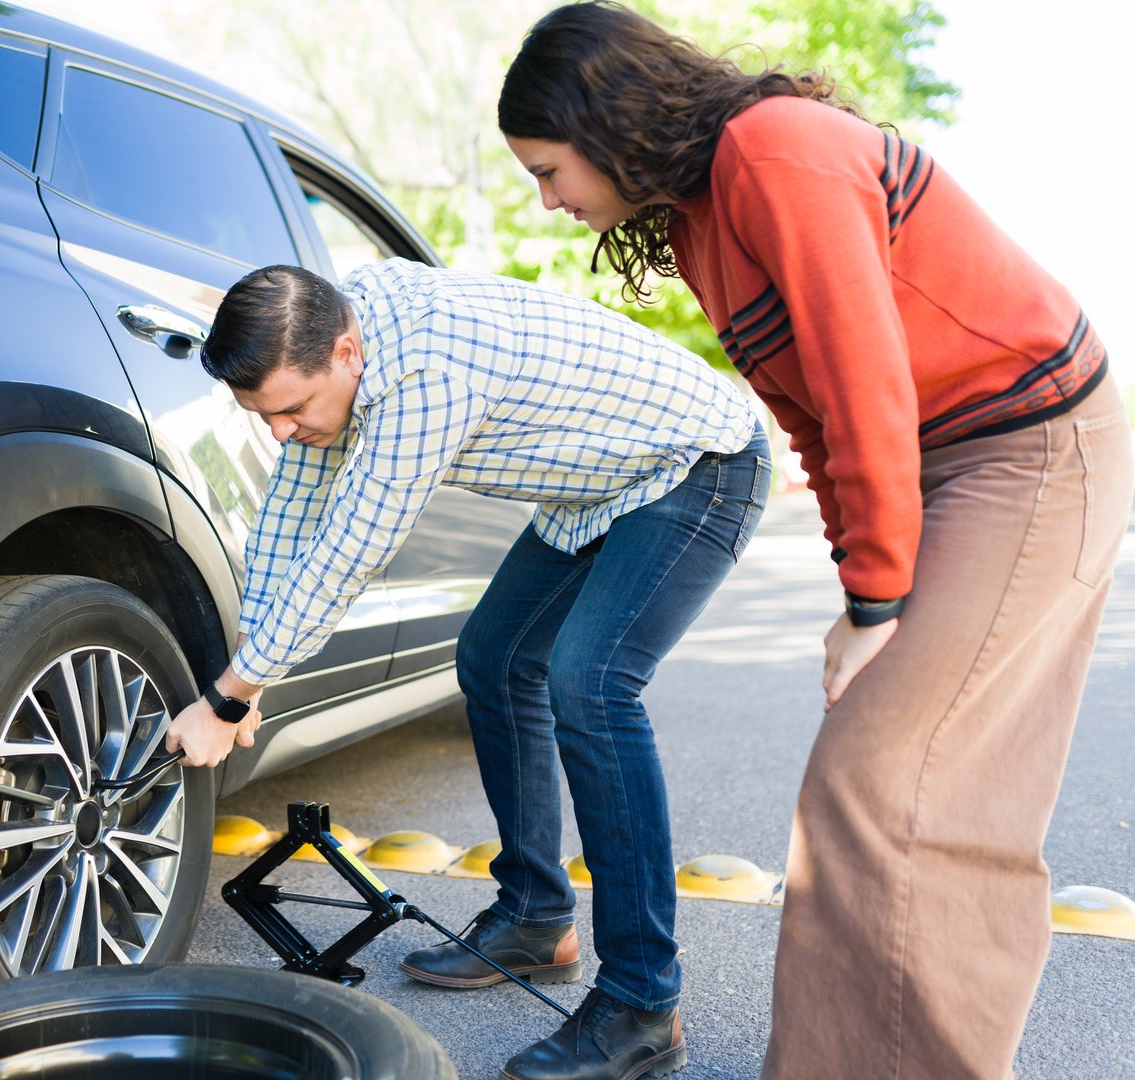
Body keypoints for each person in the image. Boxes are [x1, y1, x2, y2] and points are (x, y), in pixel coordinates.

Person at [498, 5, 1134, 1079]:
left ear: (607, 127)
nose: (549, 201)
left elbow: (864, 379)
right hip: (948, 458)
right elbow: (807, 414)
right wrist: (859, 587)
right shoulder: (694, 217)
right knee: (924, 789)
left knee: (884, 780)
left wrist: (877, 601)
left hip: (1031, 444)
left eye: (551, 170)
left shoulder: (773, 149)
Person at [165, 258, 768, 1079]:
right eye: (264, 416)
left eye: (292, 410)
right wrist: (247, 677)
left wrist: (228, 697)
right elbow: (289, 519)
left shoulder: (426, 373)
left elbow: (347, 554)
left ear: (345, 352)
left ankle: (641, 1004)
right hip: (591, 490)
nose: (281, 431)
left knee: (590, 685)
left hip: (695, 467)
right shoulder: (330, 348)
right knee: (494, 656)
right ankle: (534, 916)